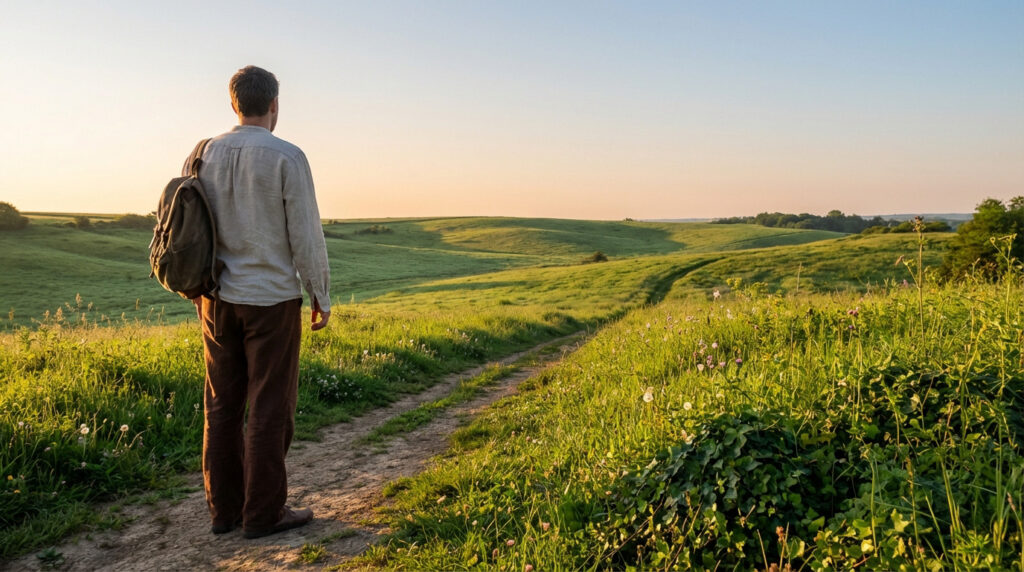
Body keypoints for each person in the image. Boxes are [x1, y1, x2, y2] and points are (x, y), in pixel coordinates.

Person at [191, 65, 331, 539]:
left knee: (221, 407)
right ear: (274, 105)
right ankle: (264, 514)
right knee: (270, 406)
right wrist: (320, 292)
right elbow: (306, 234)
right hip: (271, 300)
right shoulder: (287, 156)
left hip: (215, 299)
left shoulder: (202, 153)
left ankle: (224, 512)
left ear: (234, 104)